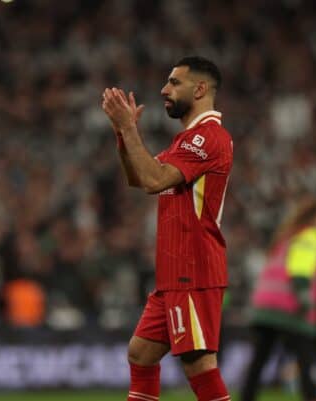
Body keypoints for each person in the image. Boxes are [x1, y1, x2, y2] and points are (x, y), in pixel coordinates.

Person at [101, 56, 233, 401]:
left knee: (199, 365)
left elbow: (153, 180)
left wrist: (131, 130)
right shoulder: (186, 141)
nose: (164, 89)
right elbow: (137, 176)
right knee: (141, 353)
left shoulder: (207, 139)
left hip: (194, 271)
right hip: (175, 274)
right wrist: (122, 133)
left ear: (200, 89)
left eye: (174, 82)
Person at [240, 197, 316, 401]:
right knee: (306, 360)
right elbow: (300, 269)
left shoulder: (287, 235)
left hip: (265, 306)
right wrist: (304, 298)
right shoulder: (311, 235)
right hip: (290, 307)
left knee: (258, 361)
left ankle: (246, 398)